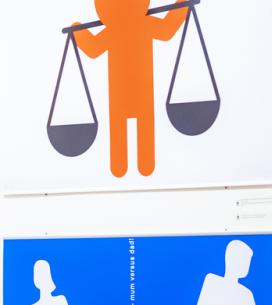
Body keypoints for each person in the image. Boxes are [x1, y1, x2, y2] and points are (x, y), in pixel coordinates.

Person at [72, 0, 190, 177]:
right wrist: (182, 7)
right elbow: (166, 29)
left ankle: (128, 166)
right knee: (140, 124)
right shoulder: (142, 24)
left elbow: (93, 48)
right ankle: (138, 165)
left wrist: (78, 31)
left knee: (123, 126)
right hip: (138, 90)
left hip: (121, 91)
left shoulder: (114, 30)